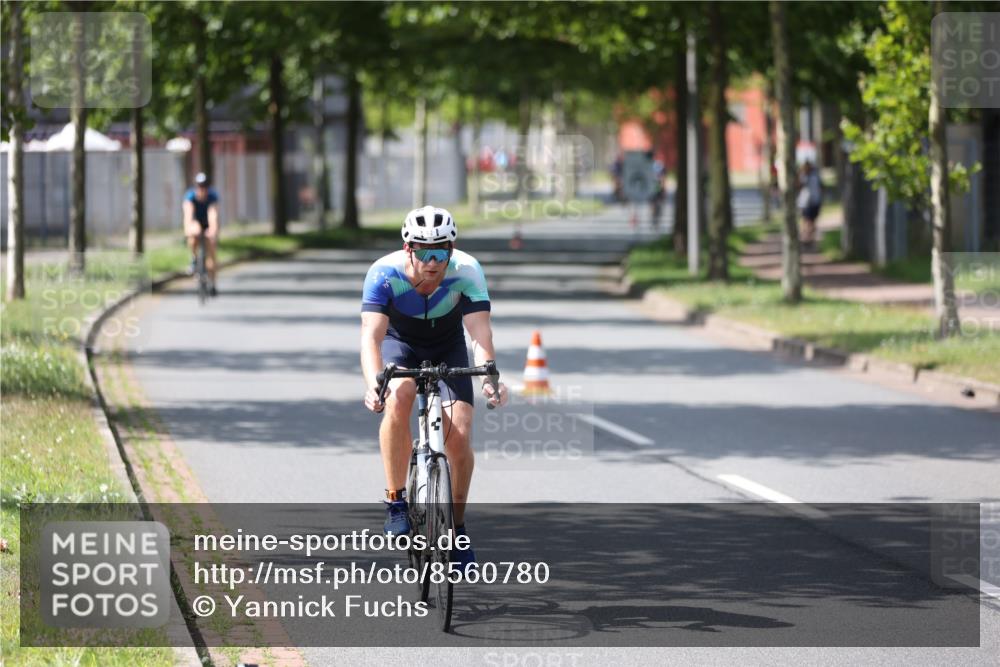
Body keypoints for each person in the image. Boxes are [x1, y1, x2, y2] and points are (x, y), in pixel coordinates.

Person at [360, 205, 509, 568]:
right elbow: (371, 337)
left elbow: (480, 333)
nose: (432, 262)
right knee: (399, 396)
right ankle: (396, 500)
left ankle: (457, 529)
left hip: (447, 345)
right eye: (423, 252)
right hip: (400, 344)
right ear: (407, 248)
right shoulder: (384, 273)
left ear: (451, 250)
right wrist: (374, 384)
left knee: (460, 433)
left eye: (440, 253)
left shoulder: (467, 271)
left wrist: (490, 379)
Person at [182, 172, 220, 295]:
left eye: (204, 186)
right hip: (196, 222)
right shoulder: (190, 196)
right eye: (200, 186)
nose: (202, 188)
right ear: (196, 186)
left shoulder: (212, 196)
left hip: (208, 224)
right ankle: (194, 259)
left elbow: (213, 214)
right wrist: (189, 230)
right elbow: (188, 215)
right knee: (194, 234)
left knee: (211, 251)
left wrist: (213, 230)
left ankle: (213, 283)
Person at [797, 161, 822, 248]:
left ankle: (810, 239)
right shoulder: (802, 176)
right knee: (806, 221)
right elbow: (799, 186)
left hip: (815, 201)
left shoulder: (815, 175)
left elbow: (820, 187)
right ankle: (805, 238)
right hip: (805, 203)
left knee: (812, 221)